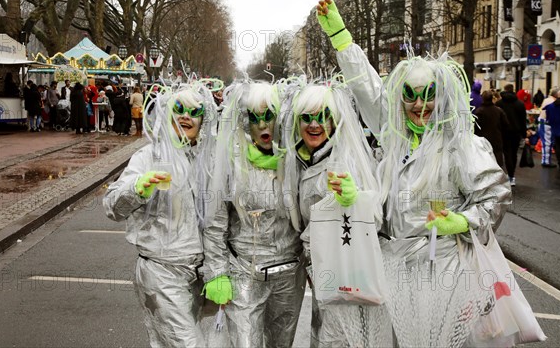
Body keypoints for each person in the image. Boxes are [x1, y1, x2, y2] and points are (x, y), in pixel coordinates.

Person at [316, 0, 519, 346]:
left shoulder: (461, 145)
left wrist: (463, 221)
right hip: (394, 270)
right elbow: (367, 88)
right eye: (410, 96)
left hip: (445, 270)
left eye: (428, 96)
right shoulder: (394, 137)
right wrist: (341, 37)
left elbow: (496, 195)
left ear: (442, 96)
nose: (419, 106)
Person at [104, 83, 217, 347]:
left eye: (193, 111)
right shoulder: (149, 157)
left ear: (204, 120)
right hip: (161, 271)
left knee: (167, 342)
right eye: (178, 109)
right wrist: (137, 188)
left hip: (197, 275)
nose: (185, 116)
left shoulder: (208, 161)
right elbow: (112, 207)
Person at [280, 81, 391, 347]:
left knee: (342, 339)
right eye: (306, 118)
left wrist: (356, 199)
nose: (314, 125)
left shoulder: (347, 160)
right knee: (326, 334)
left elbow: (375, 218)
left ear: (335, 120)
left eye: (322, 117)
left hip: (349, 273)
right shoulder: (300, 160)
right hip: (321, 272)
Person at [202, 82, 306, 348]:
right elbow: (215, 224)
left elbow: (312, 219)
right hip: (244, 273)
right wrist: (216, 274)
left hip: (288, 274)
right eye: (254, 117)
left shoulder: (297, 162)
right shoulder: (231, 163)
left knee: (281, 344)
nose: (262, 125)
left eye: (268, 115)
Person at [496, 84, 527, 186]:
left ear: (504, 90)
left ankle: (509, 174)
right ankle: (511, 175)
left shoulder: (499, 103)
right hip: (516, 132)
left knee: (506, 152)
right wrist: (524, 134)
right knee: (514, 153)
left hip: (504, 132)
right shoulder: (520, 104)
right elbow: (523, 120)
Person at [474, 90, 509, 168]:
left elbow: (475, 127)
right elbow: (506, 124)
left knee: (484, 162)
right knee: (497, 162)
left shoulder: (479, 111)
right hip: (496, 138)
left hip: (483, 140)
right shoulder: (498, 110)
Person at [537, 87, 559, 167]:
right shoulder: (552, 101)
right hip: (546, 122)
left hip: (544, 122)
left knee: (547, 142)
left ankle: (546, 160)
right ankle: (546, 161)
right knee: (547, 143)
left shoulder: (547, 99)